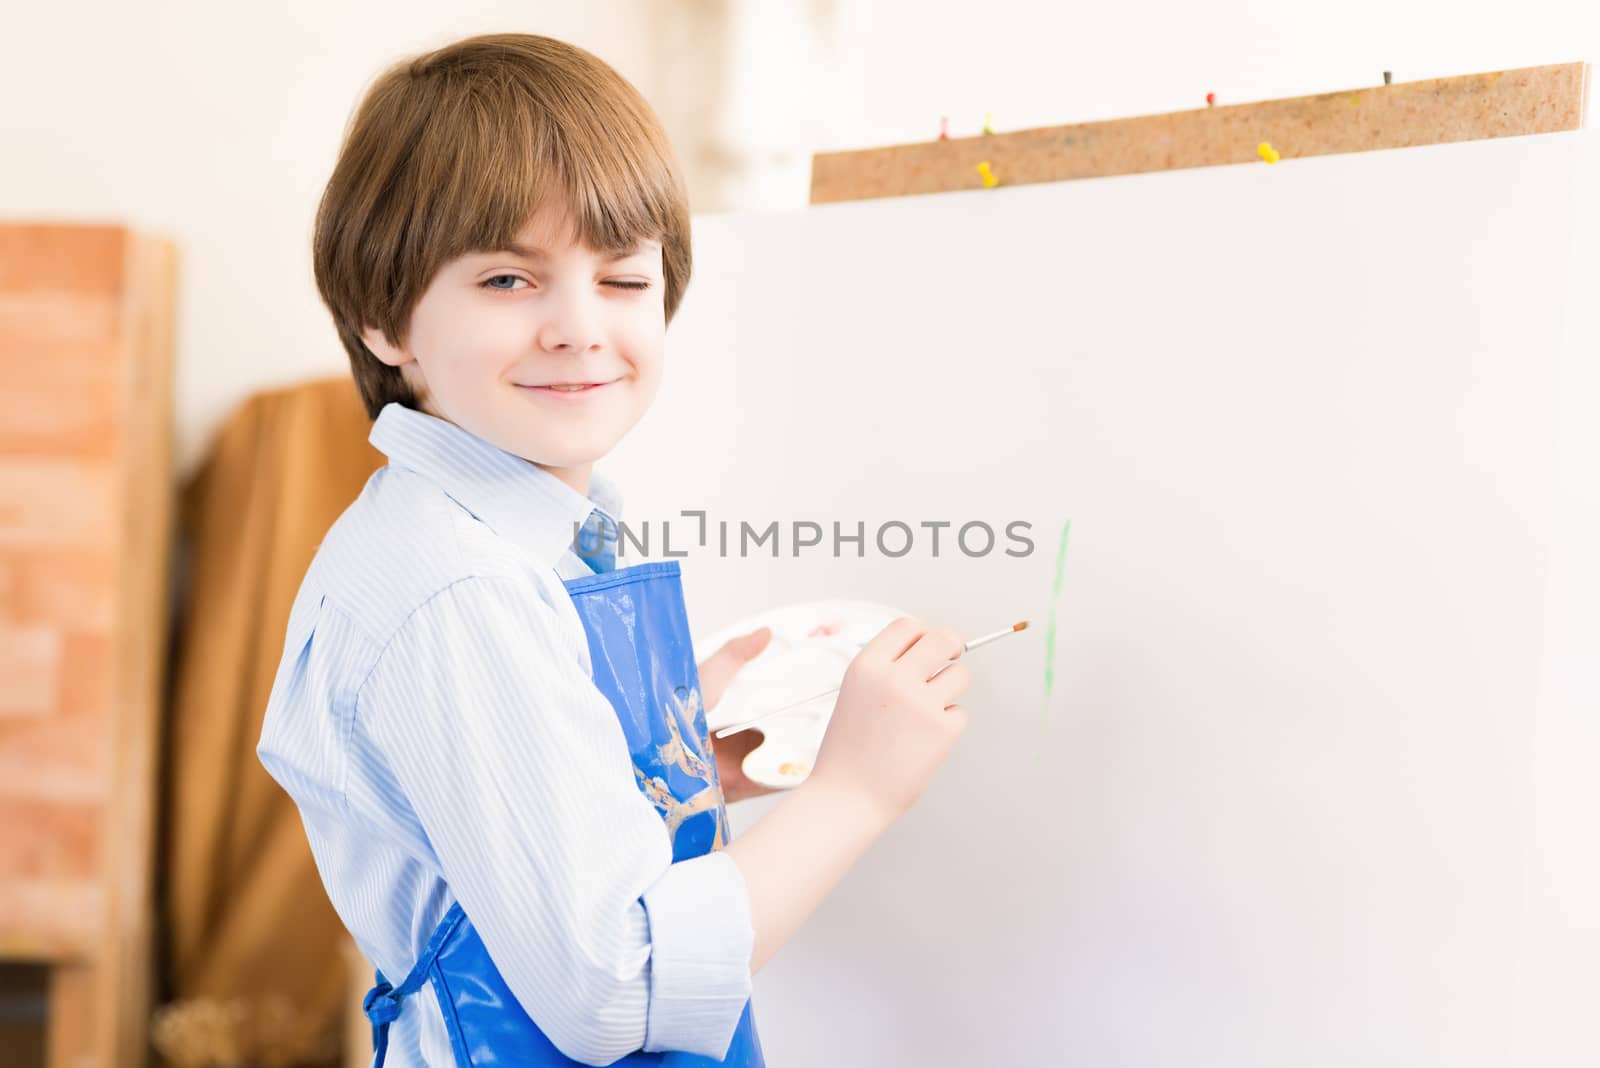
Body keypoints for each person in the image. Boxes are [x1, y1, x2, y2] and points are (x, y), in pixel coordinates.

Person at [257, 32, 972, 1068]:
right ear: (382, 318)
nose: (580, 328)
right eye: (509, 279)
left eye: (624, 279)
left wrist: (665, 785)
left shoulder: (515, 533)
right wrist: (855, 790)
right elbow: (616, 991)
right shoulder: (456, 586)